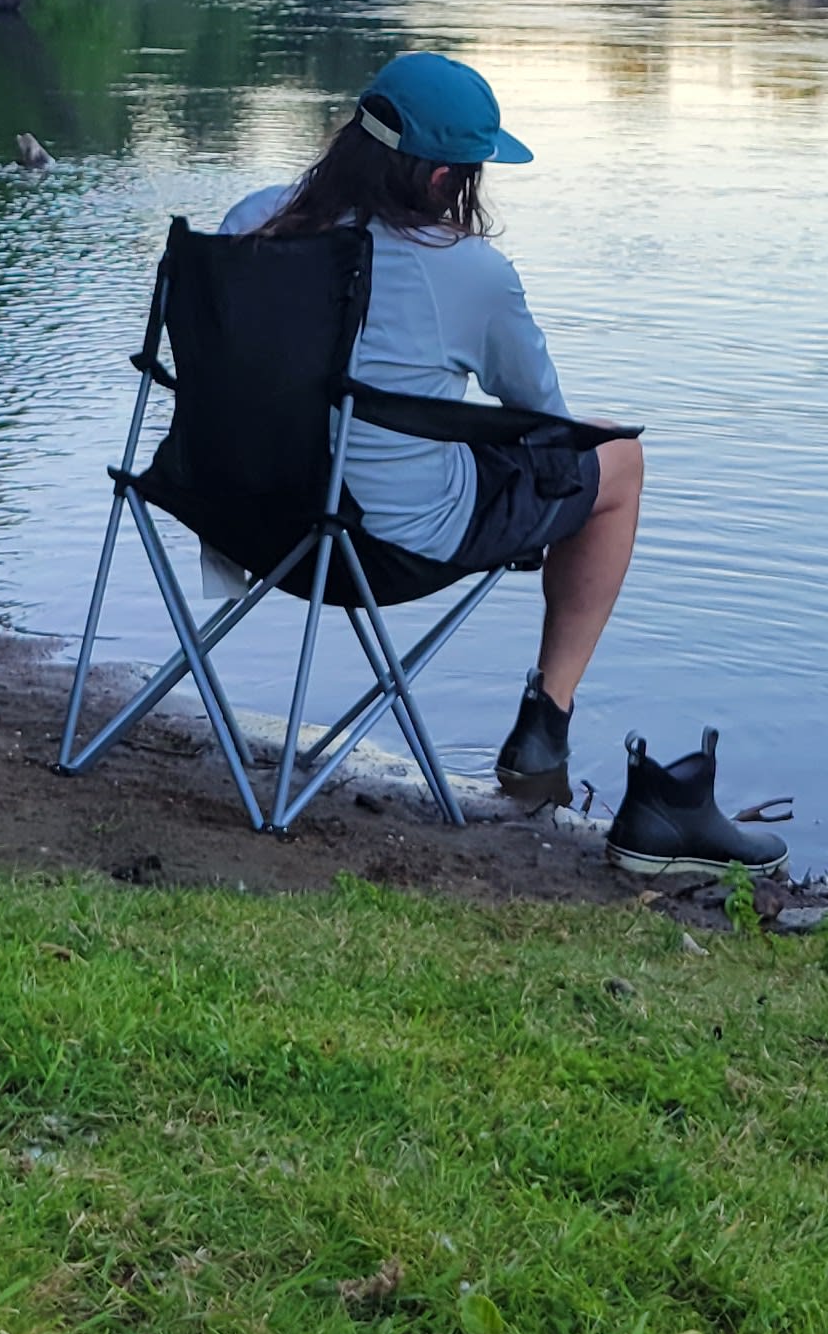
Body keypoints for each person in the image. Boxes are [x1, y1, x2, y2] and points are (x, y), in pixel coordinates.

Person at [220, 50, 789, 880]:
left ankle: (541, 739)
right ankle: (545, 722)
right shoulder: (470, 271)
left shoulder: (249, 220)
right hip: (379, 548)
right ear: (443, 173)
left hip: (243, 520)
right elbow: (548, 425)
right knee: (617, 461)